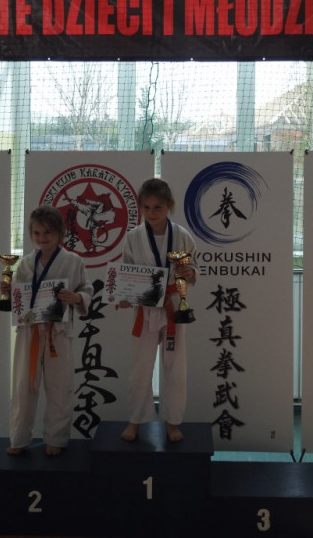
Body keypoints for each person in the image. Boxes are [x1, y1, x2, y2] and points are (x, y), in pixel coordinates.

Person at [2, 205, 93, 456]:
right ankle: (19, 438)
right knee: (23, 387)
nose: (42, 238)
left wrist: (77, 297)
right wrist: (8, 291)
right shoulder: (25, 264)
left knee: (60, 387)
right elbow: (18, 299)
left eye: (48, 232)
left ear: (60, 233)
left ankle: (56, 438)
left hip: (58, 332)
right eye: (36, 233)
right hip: (29, 333)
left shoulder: (73, 261)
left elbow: (87, 290)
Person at [118, 178, 197, 444]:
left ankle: (172, 422)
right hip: (145, 307)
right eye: (147, 207)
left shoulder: (183, 235)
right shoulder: (133, 237)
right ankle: (135, 420)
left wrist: (190, 272)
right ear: (140, 206)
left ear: (169, 206)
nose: (151, 213)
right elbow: (126, 271)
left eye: (158, 208)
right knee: (140, 367)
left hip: (174, 306)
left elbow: (194, 267)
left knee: (175, 366)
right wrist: (125, 295)